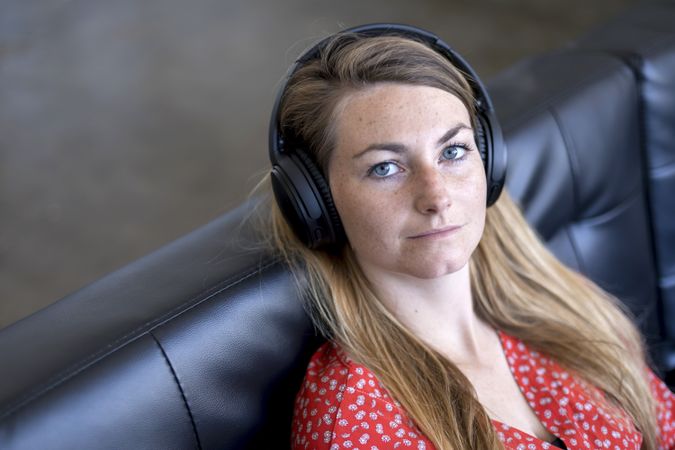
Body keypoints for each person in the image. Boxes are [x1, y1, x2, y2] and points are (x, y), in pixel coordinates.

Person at [255, 24, 675, 449]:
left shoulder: (567, 306)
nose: (436, 196)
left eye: (452, 151)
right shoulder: (351, 424)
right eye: (385, 167)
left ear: (488, 162)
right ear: (316, 202)